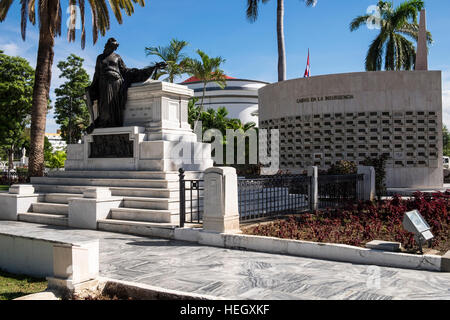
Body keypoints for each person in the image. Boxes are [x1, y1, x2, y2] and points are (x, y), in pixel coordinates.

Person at [86, 38, 166, 132]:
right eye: (112, 46)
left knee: (112, 106)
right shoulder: (100, 58)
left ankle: (111, 124)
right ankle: (102, 124)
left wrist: (152, 68)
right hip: (103, 84)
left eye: (115, 47)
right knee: (104, 109)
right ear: (107, 45)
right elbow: (97, 73)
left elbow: (125, 71)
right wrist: (92, 87)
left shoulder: (117, 57)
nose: (114, 48)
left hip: (115, 83)